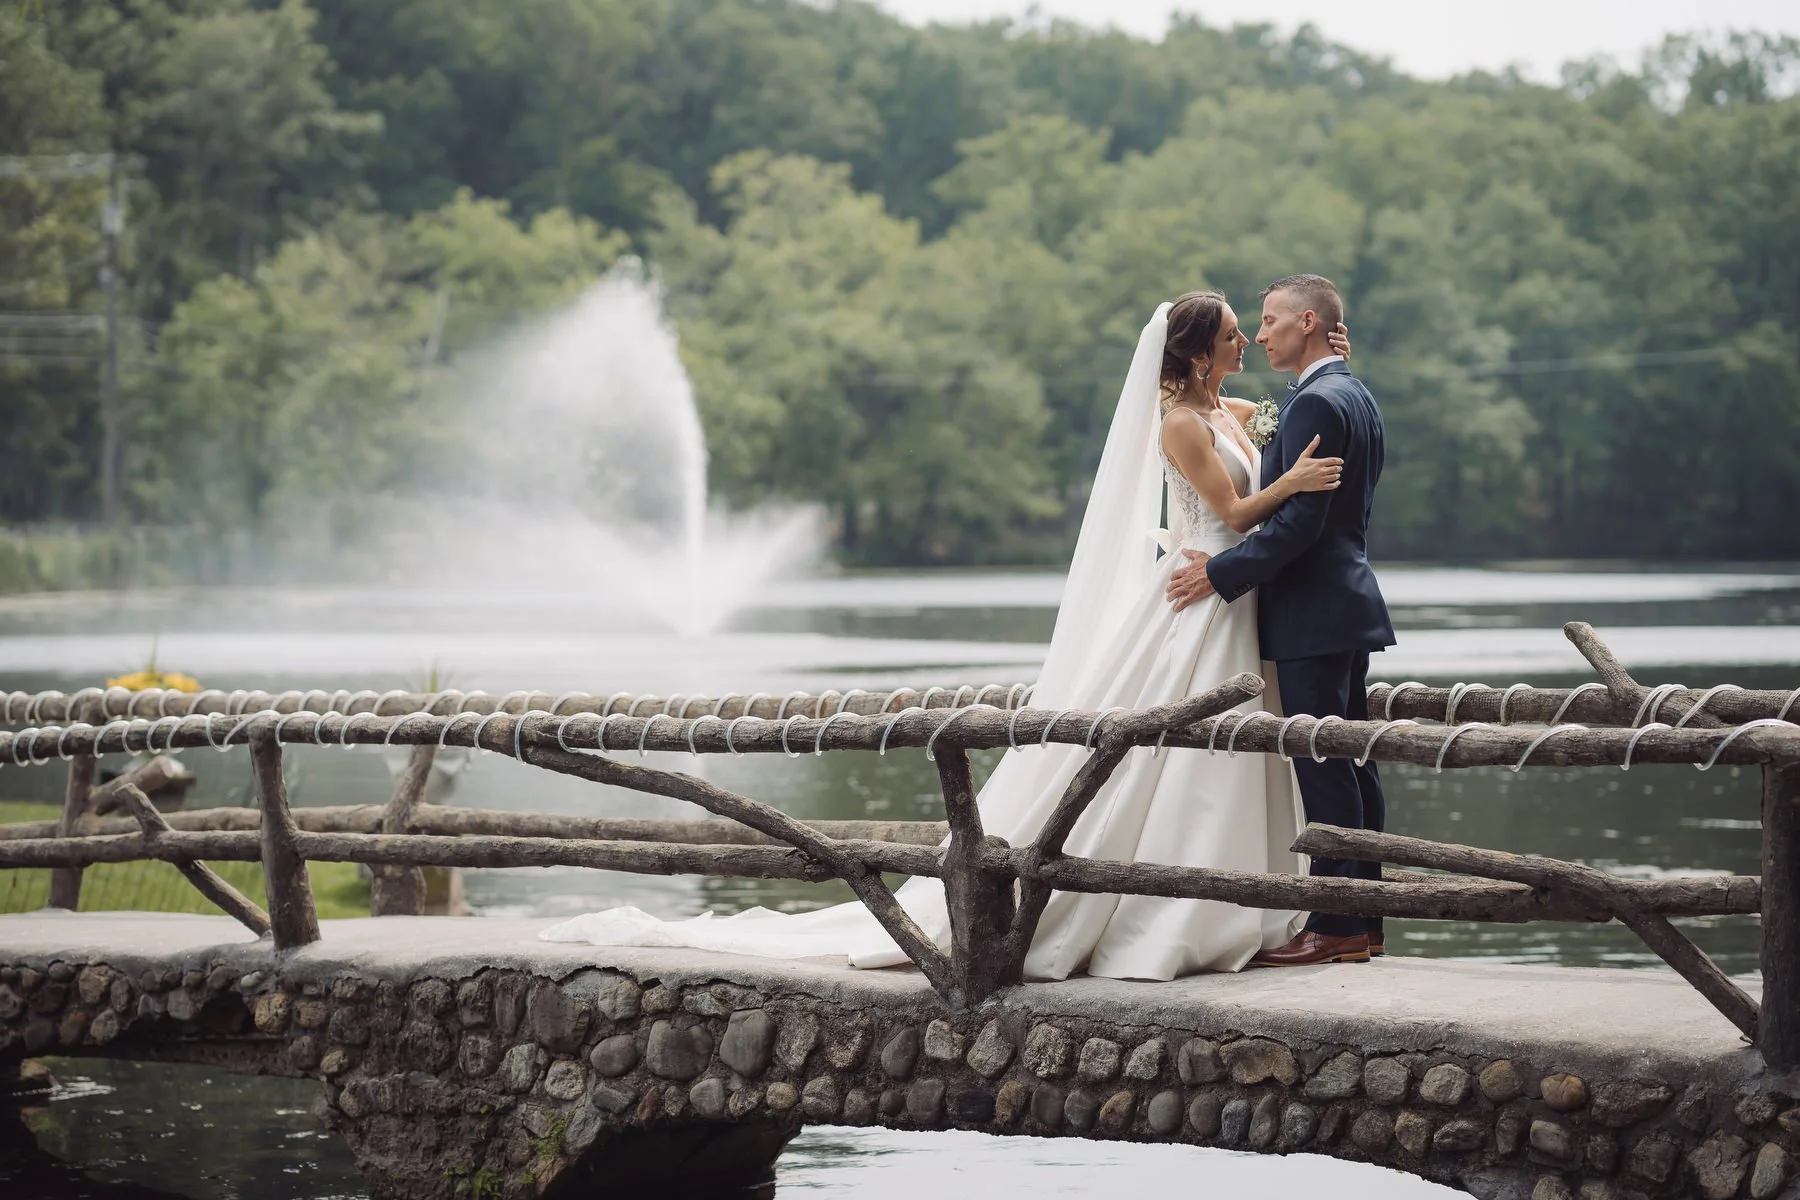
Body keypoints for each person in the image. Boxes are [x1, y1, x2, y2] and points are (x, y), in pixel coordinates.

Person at [542, 292, 1351, 980]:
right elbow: (1240, 511)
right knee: (1173, 755)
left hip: (1227, 602)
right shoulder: (1178, 422)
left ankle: (1243, 909)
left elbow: (1266, 435)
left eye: (1252, 329)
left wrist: (1323, 381)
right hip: (1194, 600)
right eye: (1234, 332)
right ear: (1199, 349)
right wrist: (1293, 482)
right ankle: (1163, 917)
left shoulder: (1225, 410)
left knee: (1228, 755)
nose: (1247, 339)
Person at [1166, 274, 1396, 967]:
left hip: (1311, 609)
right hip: (1341, 602)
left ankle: (1335, 923)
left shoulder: (1314, 404)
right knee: (1351, 763)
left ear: (1307, 322)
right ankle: (1367, 917)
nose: (1259, 336)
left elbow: (1298, 526)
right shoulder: (1348, 392)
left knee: (1322, 762)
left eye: (1268, 322)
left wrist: (1220, 573)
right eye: (1248, 328)